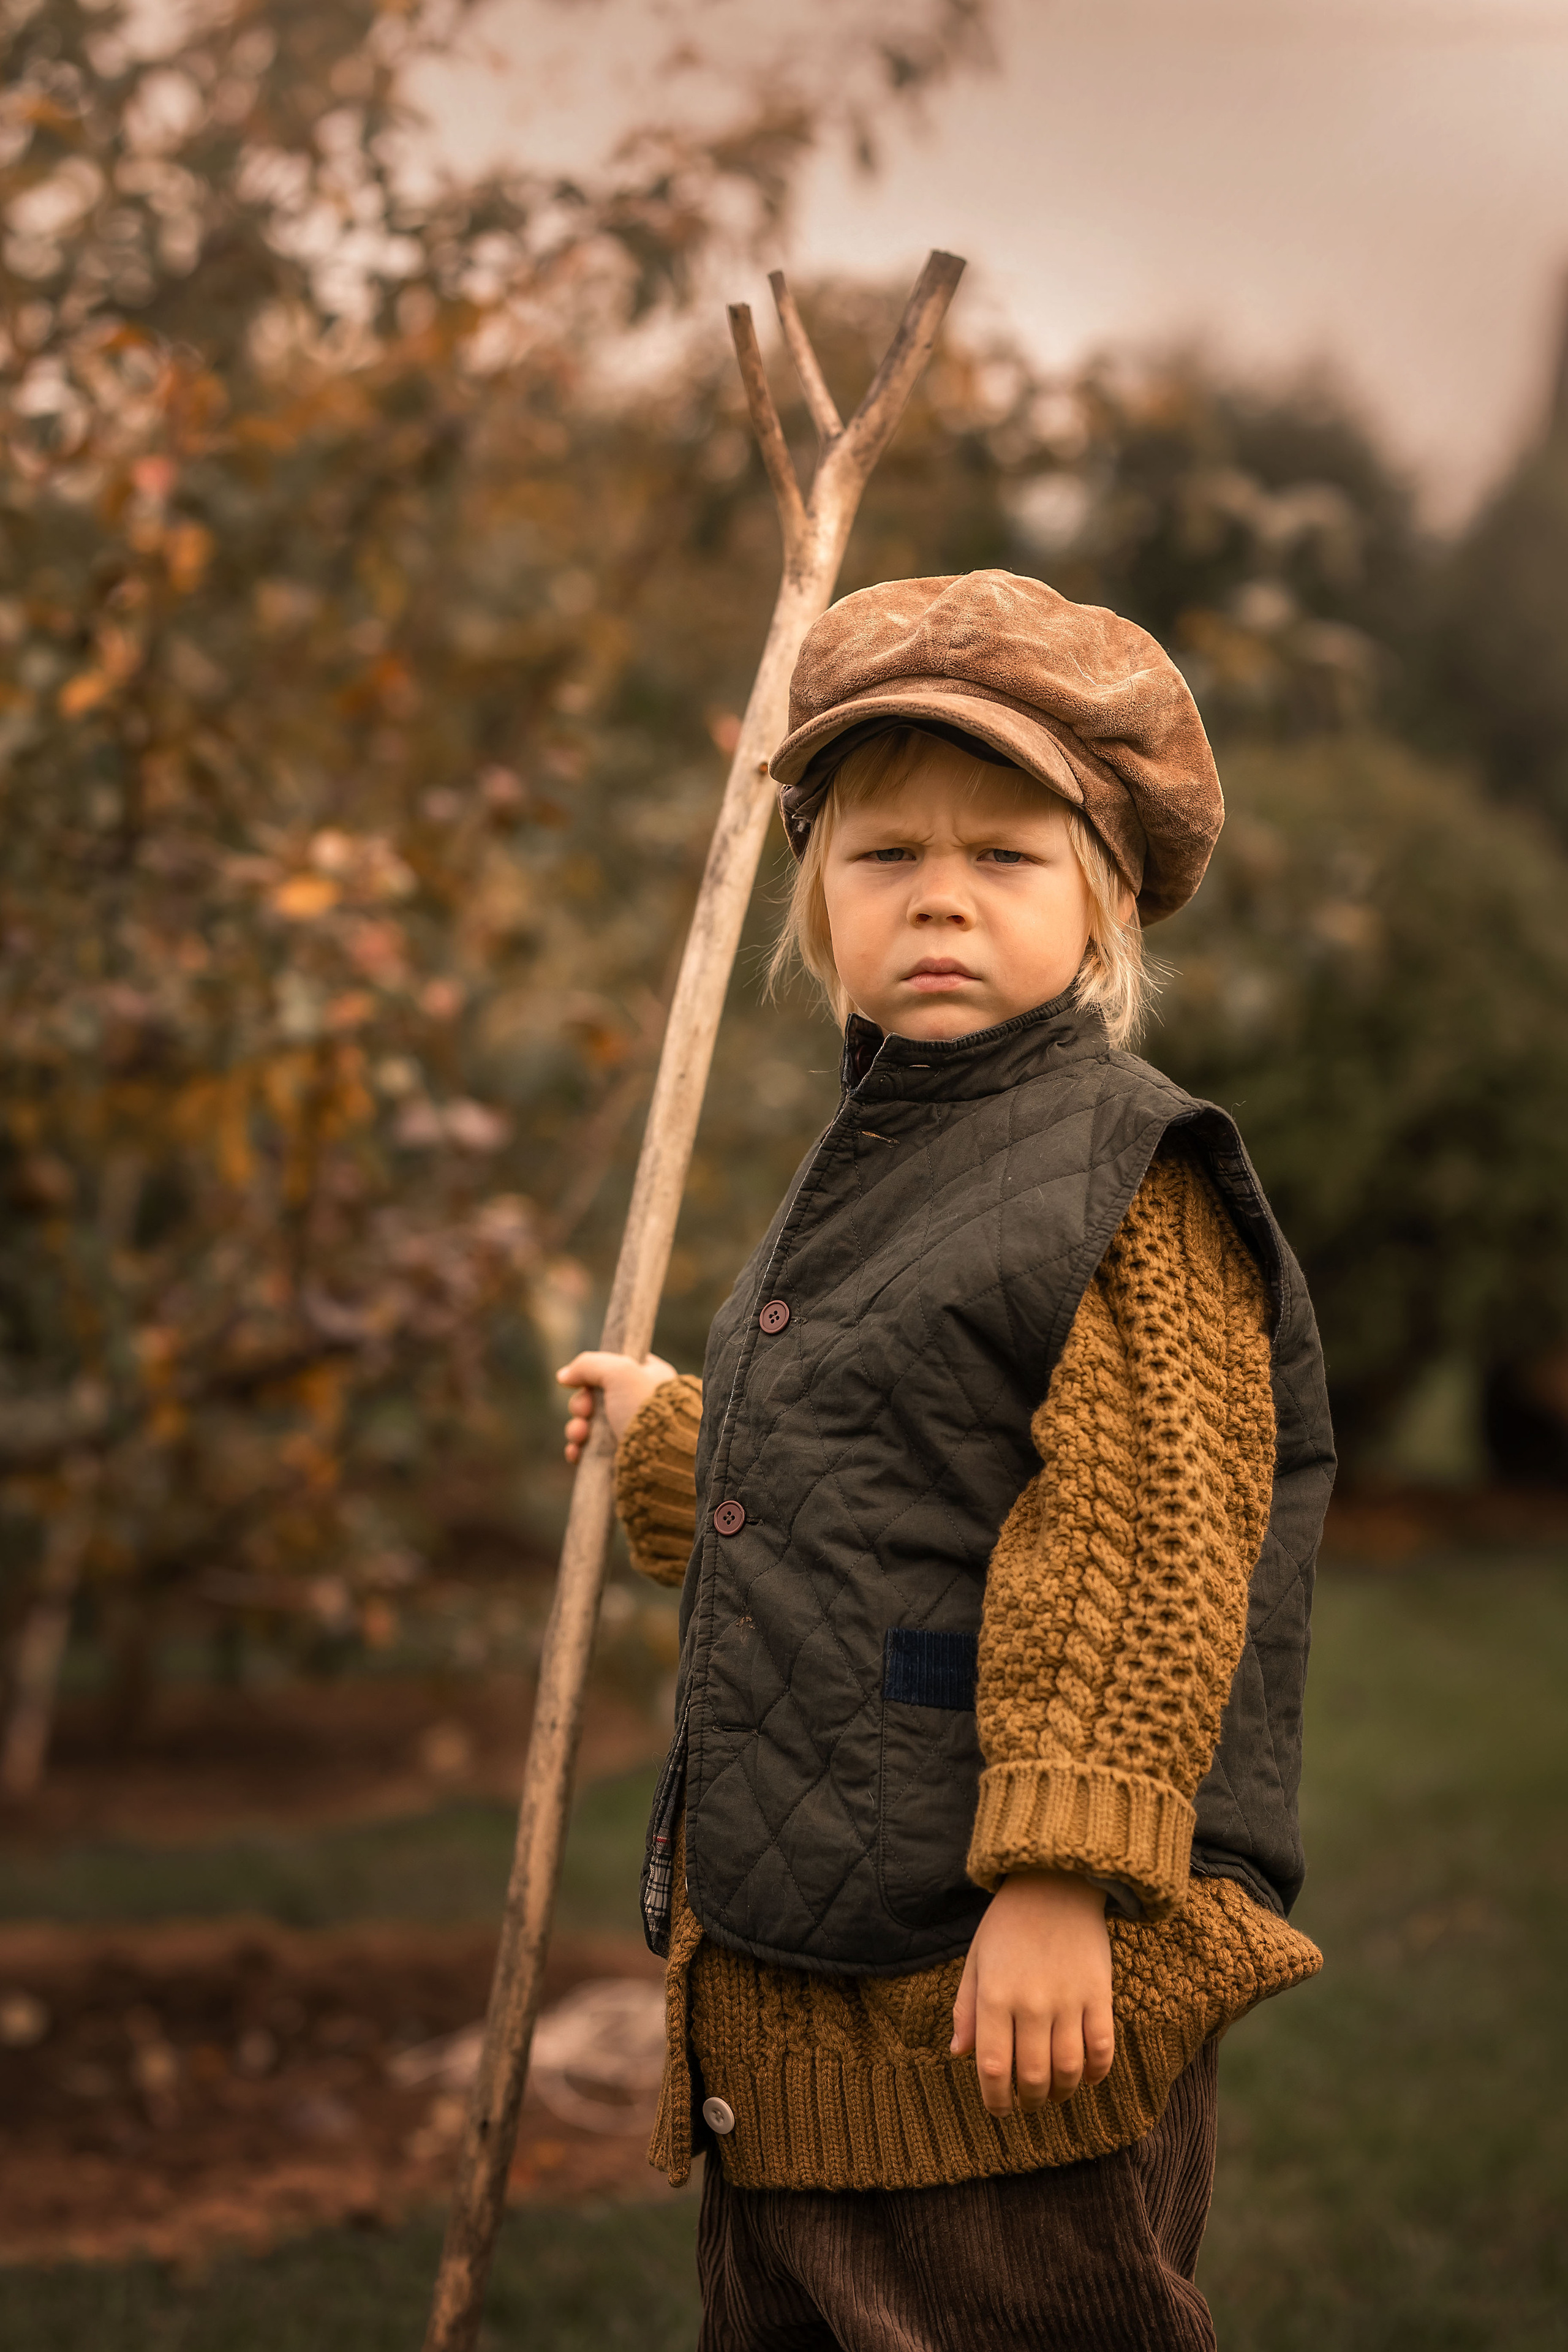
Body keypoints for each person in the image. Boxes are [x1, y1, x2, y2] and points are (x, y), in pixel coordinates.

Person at [558, 569, 1335, 2352]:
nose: (940, 900)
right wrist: (679, 1433)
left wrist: (1062, 1878)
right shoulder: (888, 1155)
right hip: (810, 1963)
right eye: (883, 854)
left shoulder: (1119, 1178)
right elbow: (870, 1481)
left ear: (1107, 895)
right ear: (813, 903)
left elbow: (1145, 1552)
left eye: (1004, 856)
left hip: (986, 1968)